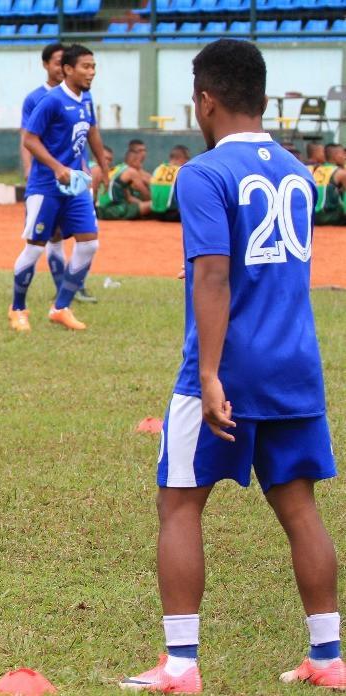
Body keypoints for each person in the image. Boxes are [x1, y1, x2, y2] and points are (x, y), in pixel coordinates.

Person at [121, 39, 344, 692]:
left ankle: (180, 666)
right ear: (265, 100)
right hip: (296, 368)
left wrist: (212, 374)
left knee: (180, 504)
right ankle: (328, 656)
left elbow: (213, 276)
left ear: (205, 100)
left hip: (224, 372)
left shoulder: (204, 174)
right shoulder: (300, 172)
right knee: (300, 507)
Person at [11, 44, 107, 332]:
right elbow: (29, 138)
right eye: (85, 66)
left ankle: (61, 306)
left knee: (89, 243)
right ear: (68, 69)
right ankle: (17, 309)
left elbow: (91, 130)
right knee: (35, 248)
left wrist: (102, 163)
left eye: (93, 66)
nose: (91, 72)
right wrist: (56, 167)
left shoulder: (86, 99)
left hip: (75, 185)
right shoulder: (50, 101)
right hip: (46, 186)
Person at [96, 139, 153, 220]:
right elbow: (146, 195)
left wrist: (142, 206)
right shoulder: (131, 172)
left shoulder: (117, 169)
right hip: (111, 210)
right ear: (134, 158)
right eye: (140, 160)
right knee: (153, 205)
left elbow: (129, 198)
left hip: (101, 209)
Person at [149, 144, 189, 222]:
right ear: (181, 158)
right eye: (187, 158)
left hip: (155, 213)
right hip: (172, 215)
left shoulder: (158, 169)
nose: (188, 161)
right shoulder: (181, 170)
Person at [311, 143, 346, 226]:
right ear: (336, 156)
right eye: (343, 154)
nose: (344, 157)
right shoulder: (341, 173)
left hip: (311, 216)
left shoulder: (314, 169)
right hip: (329, 217)